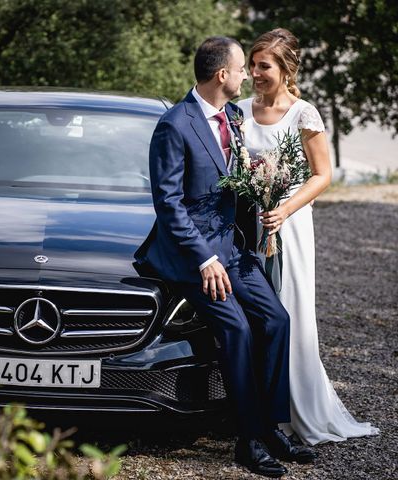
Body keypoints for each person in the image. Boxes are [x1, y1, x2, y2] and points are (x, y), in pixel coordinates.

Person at [135, 36, 317, 477]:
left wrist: (263, 191)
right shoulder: (174, 125)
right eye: (241, 69)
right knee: (237, 330)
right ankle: (248, 439)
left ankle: (271, 426)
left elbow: (231, 184)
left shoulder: (231, 116)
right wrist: (203, 260)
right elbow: (169, 205)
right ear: (222, 75)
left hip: (233, 248)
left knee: (277, 320)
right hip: (190, 256)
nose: (246, 77)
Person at [236, 28, 380, 445]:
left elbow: (323, 175)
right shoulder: (239, 111)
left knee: (290, 310)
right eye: (252, 65)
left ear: (285, 70)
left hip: (290, 225)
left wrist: (285, 209)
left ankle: (291, 408)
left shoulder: (304, 113)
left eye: (264, 66)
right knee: (251, 315)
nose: (255, 73)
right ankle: (250, 405)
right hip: (246, 224)